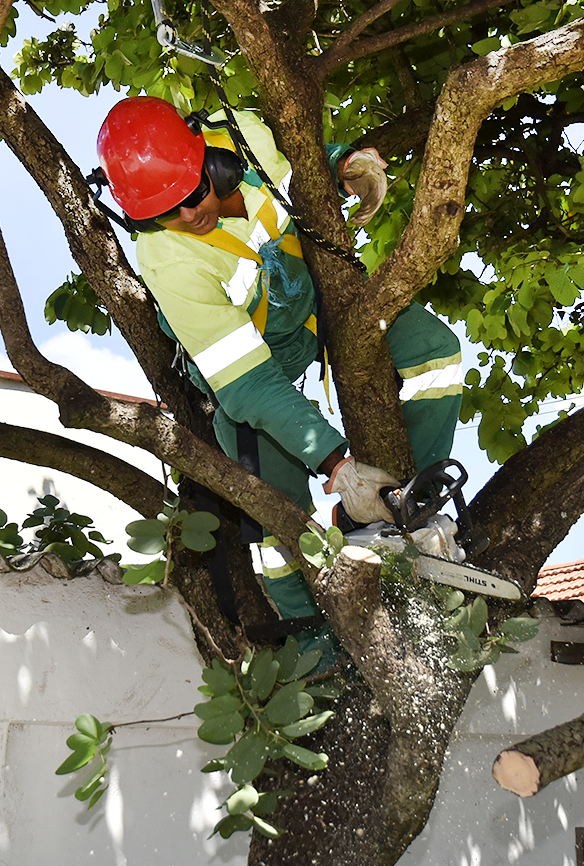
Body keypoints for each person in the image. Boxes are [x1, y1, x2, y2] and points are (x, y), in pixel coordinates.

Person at [96, 96, 462, 646]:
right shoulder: (166, 259)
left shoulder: (239, 134)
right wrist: (339, 466)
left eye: (194, 194)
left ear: (212, 162)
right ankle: (318, 645)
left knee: (434, 352)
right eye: (165, 213)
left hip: (320, 312)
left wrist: (342, 167)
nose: (189, 215)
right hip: (253, 376)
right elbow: (249, 385)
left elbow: (298, 178)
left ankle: (412, 506)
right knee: (280, 523)